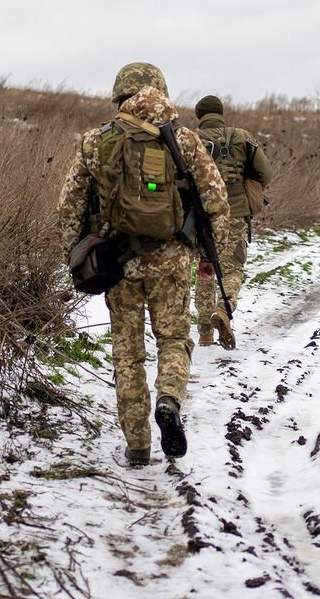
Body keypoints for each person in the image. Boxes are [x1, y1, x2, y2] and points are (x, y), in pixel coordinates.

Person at [57, 63, 229, 467]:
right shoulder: (185, 140)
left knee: (127, 353)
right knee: (173, 339)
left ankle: (137, 445)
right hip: (171, 262)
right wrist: (208, 257)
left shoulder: (94, 141)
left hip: (118, 263)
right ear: (162, 92)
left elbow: (67, 209)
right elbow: (217, 202)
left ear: (120, 95)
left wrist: (76, 260)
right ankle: (169, 399)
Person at [192, 95, 273, 349]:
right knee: (232, 268)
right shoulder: (241, 136)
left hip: (201, 214)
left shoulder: (190, 139)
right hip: (236, 212)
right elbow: (265, 172)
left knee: (205, 269)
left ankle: (205, 331)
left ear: (199, 116)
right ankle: (223, 311)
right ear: (221, 113)